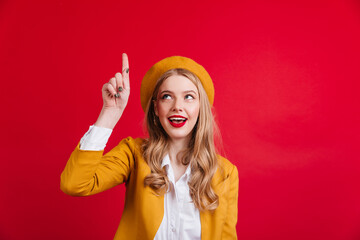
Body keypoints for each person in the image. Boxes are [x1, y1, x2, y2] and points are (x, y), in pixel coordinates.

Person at [60, 53, 239, 240]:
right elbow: (74, 184)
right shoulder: (133, 154)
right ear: (155, 108)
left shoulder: (226, 174)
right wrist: (110, 113)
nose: (177, 106)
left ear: (201, 107)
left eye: (189, 97)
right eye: (167, 97)